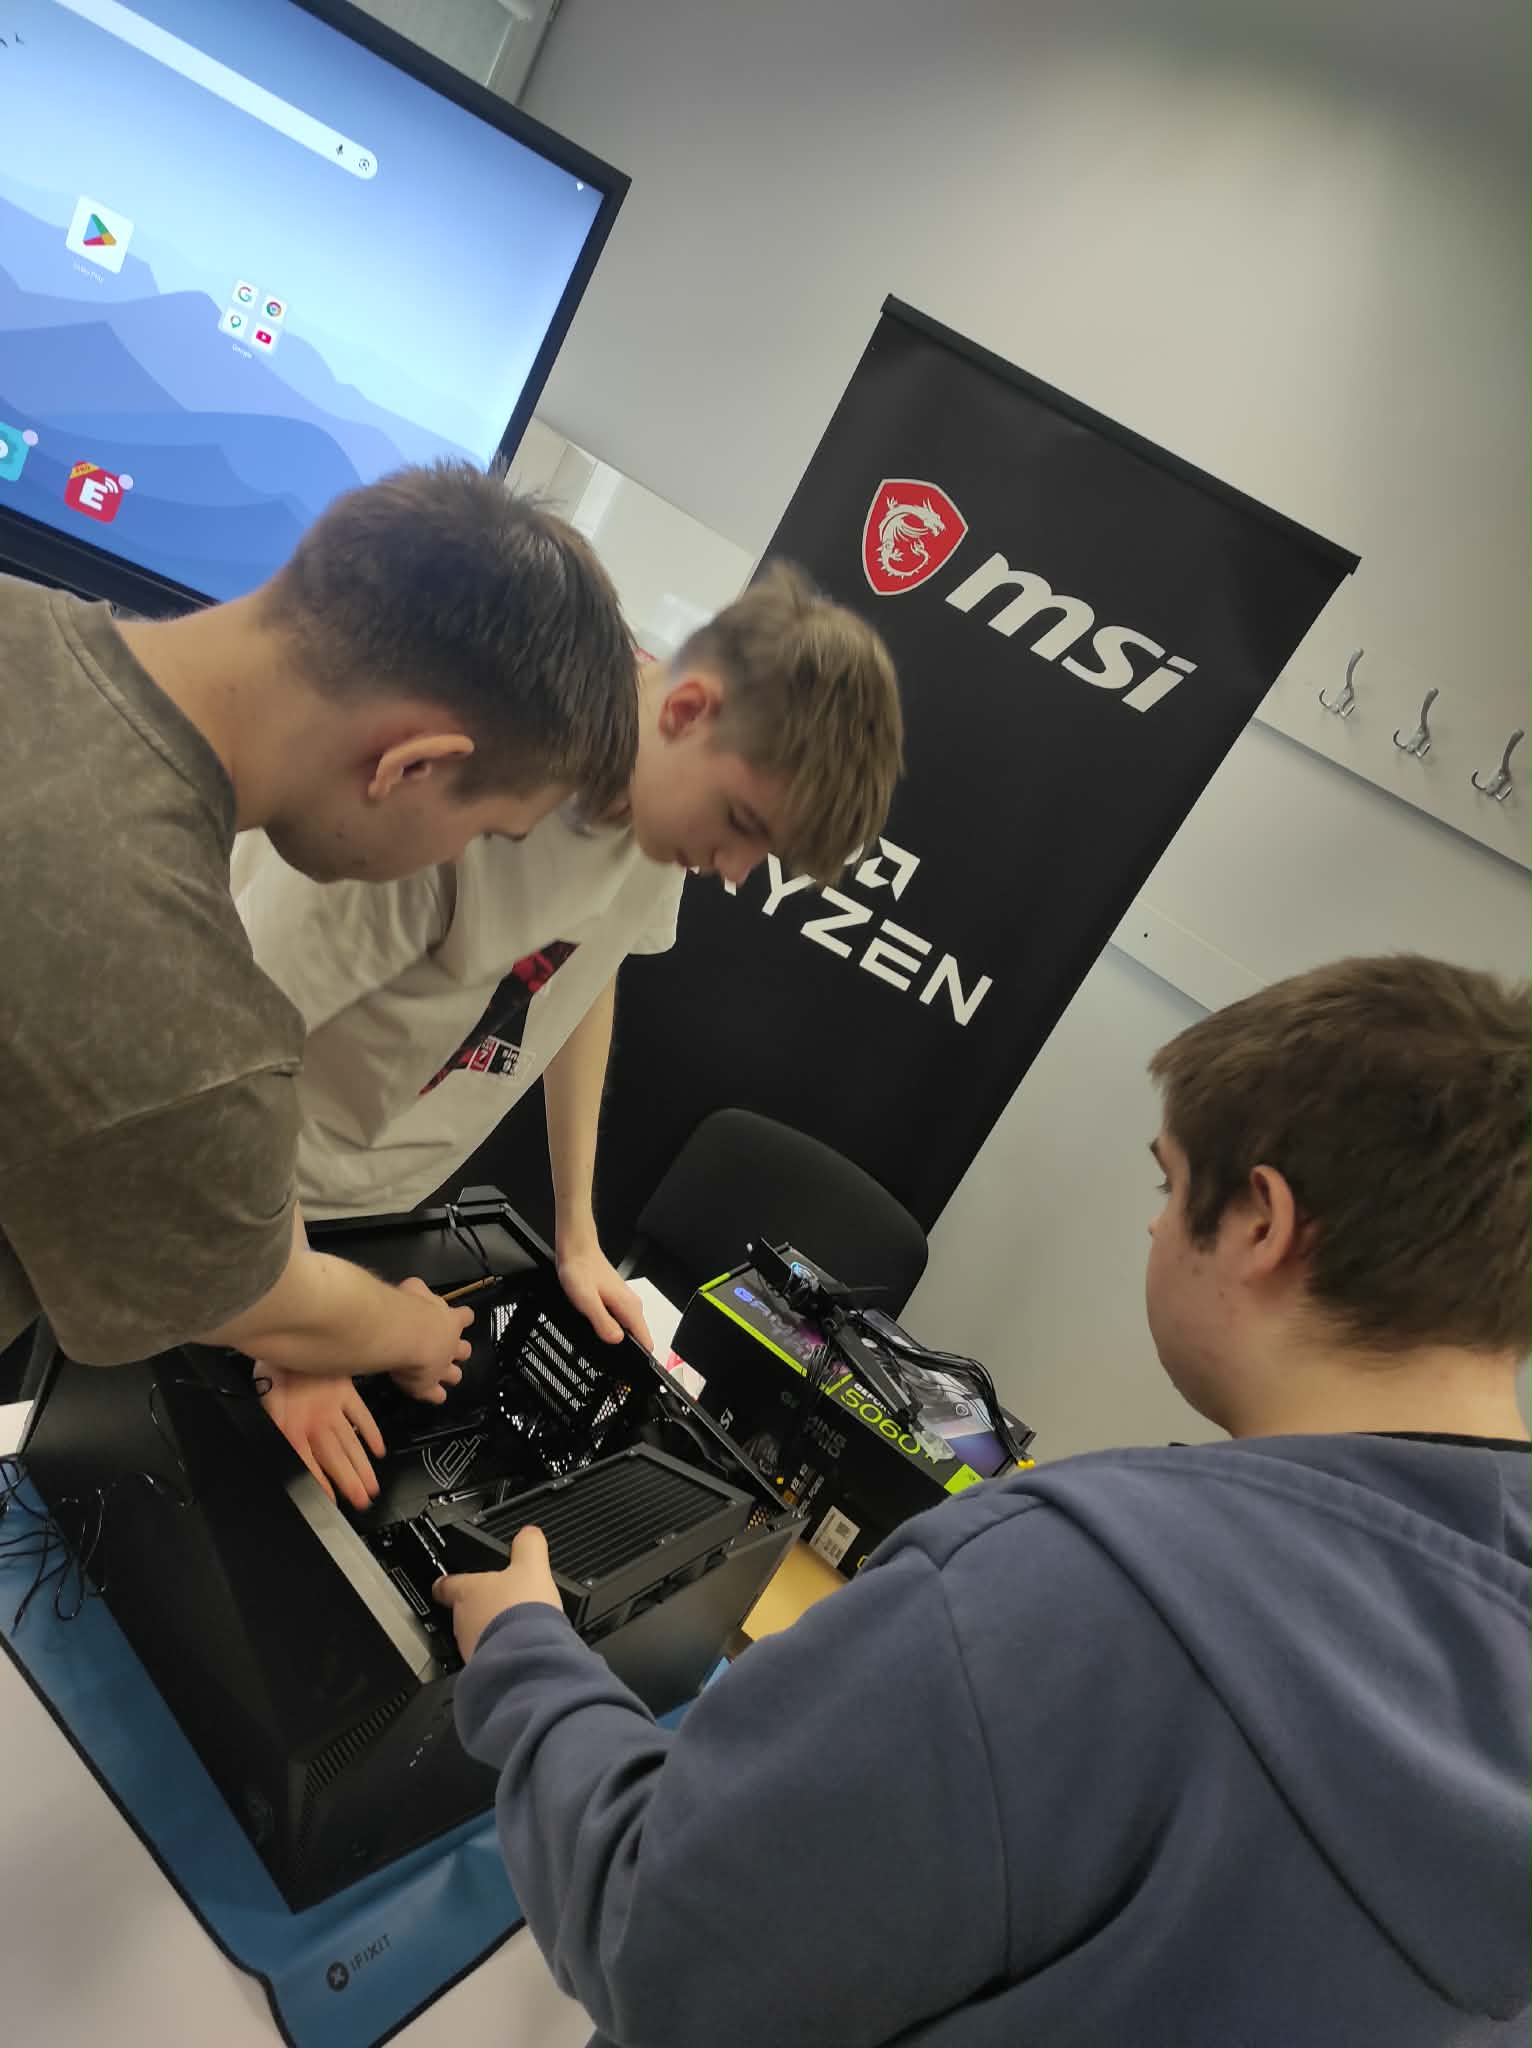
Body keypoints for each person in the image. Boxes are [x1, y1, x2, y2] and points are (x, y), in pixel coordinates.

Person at [434, 953, 1532, 2048]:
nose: (1156, 1229)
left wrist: (527, 1658)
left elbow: (659, 1946)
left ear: (1260, 1223)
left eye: (1168, 1185)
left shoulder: (1059, 1594)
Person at [232, 564, 904, 1507]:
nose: (733, 871)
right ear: (688, 712)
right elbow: (224, 1057)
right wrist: (295, 1326)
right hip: (231, 1197)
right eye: (744, 824)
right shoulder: (467, 781)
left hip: (362, 1213)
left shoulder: (666, 803)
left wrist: (577, 1232)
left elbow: (584, 974)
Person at [0, 463, 638, 1405]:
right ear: (411, 766)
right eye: (487, 832)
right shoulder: (174, 1005)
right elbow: (258, 1300)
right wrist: (413, 1331)